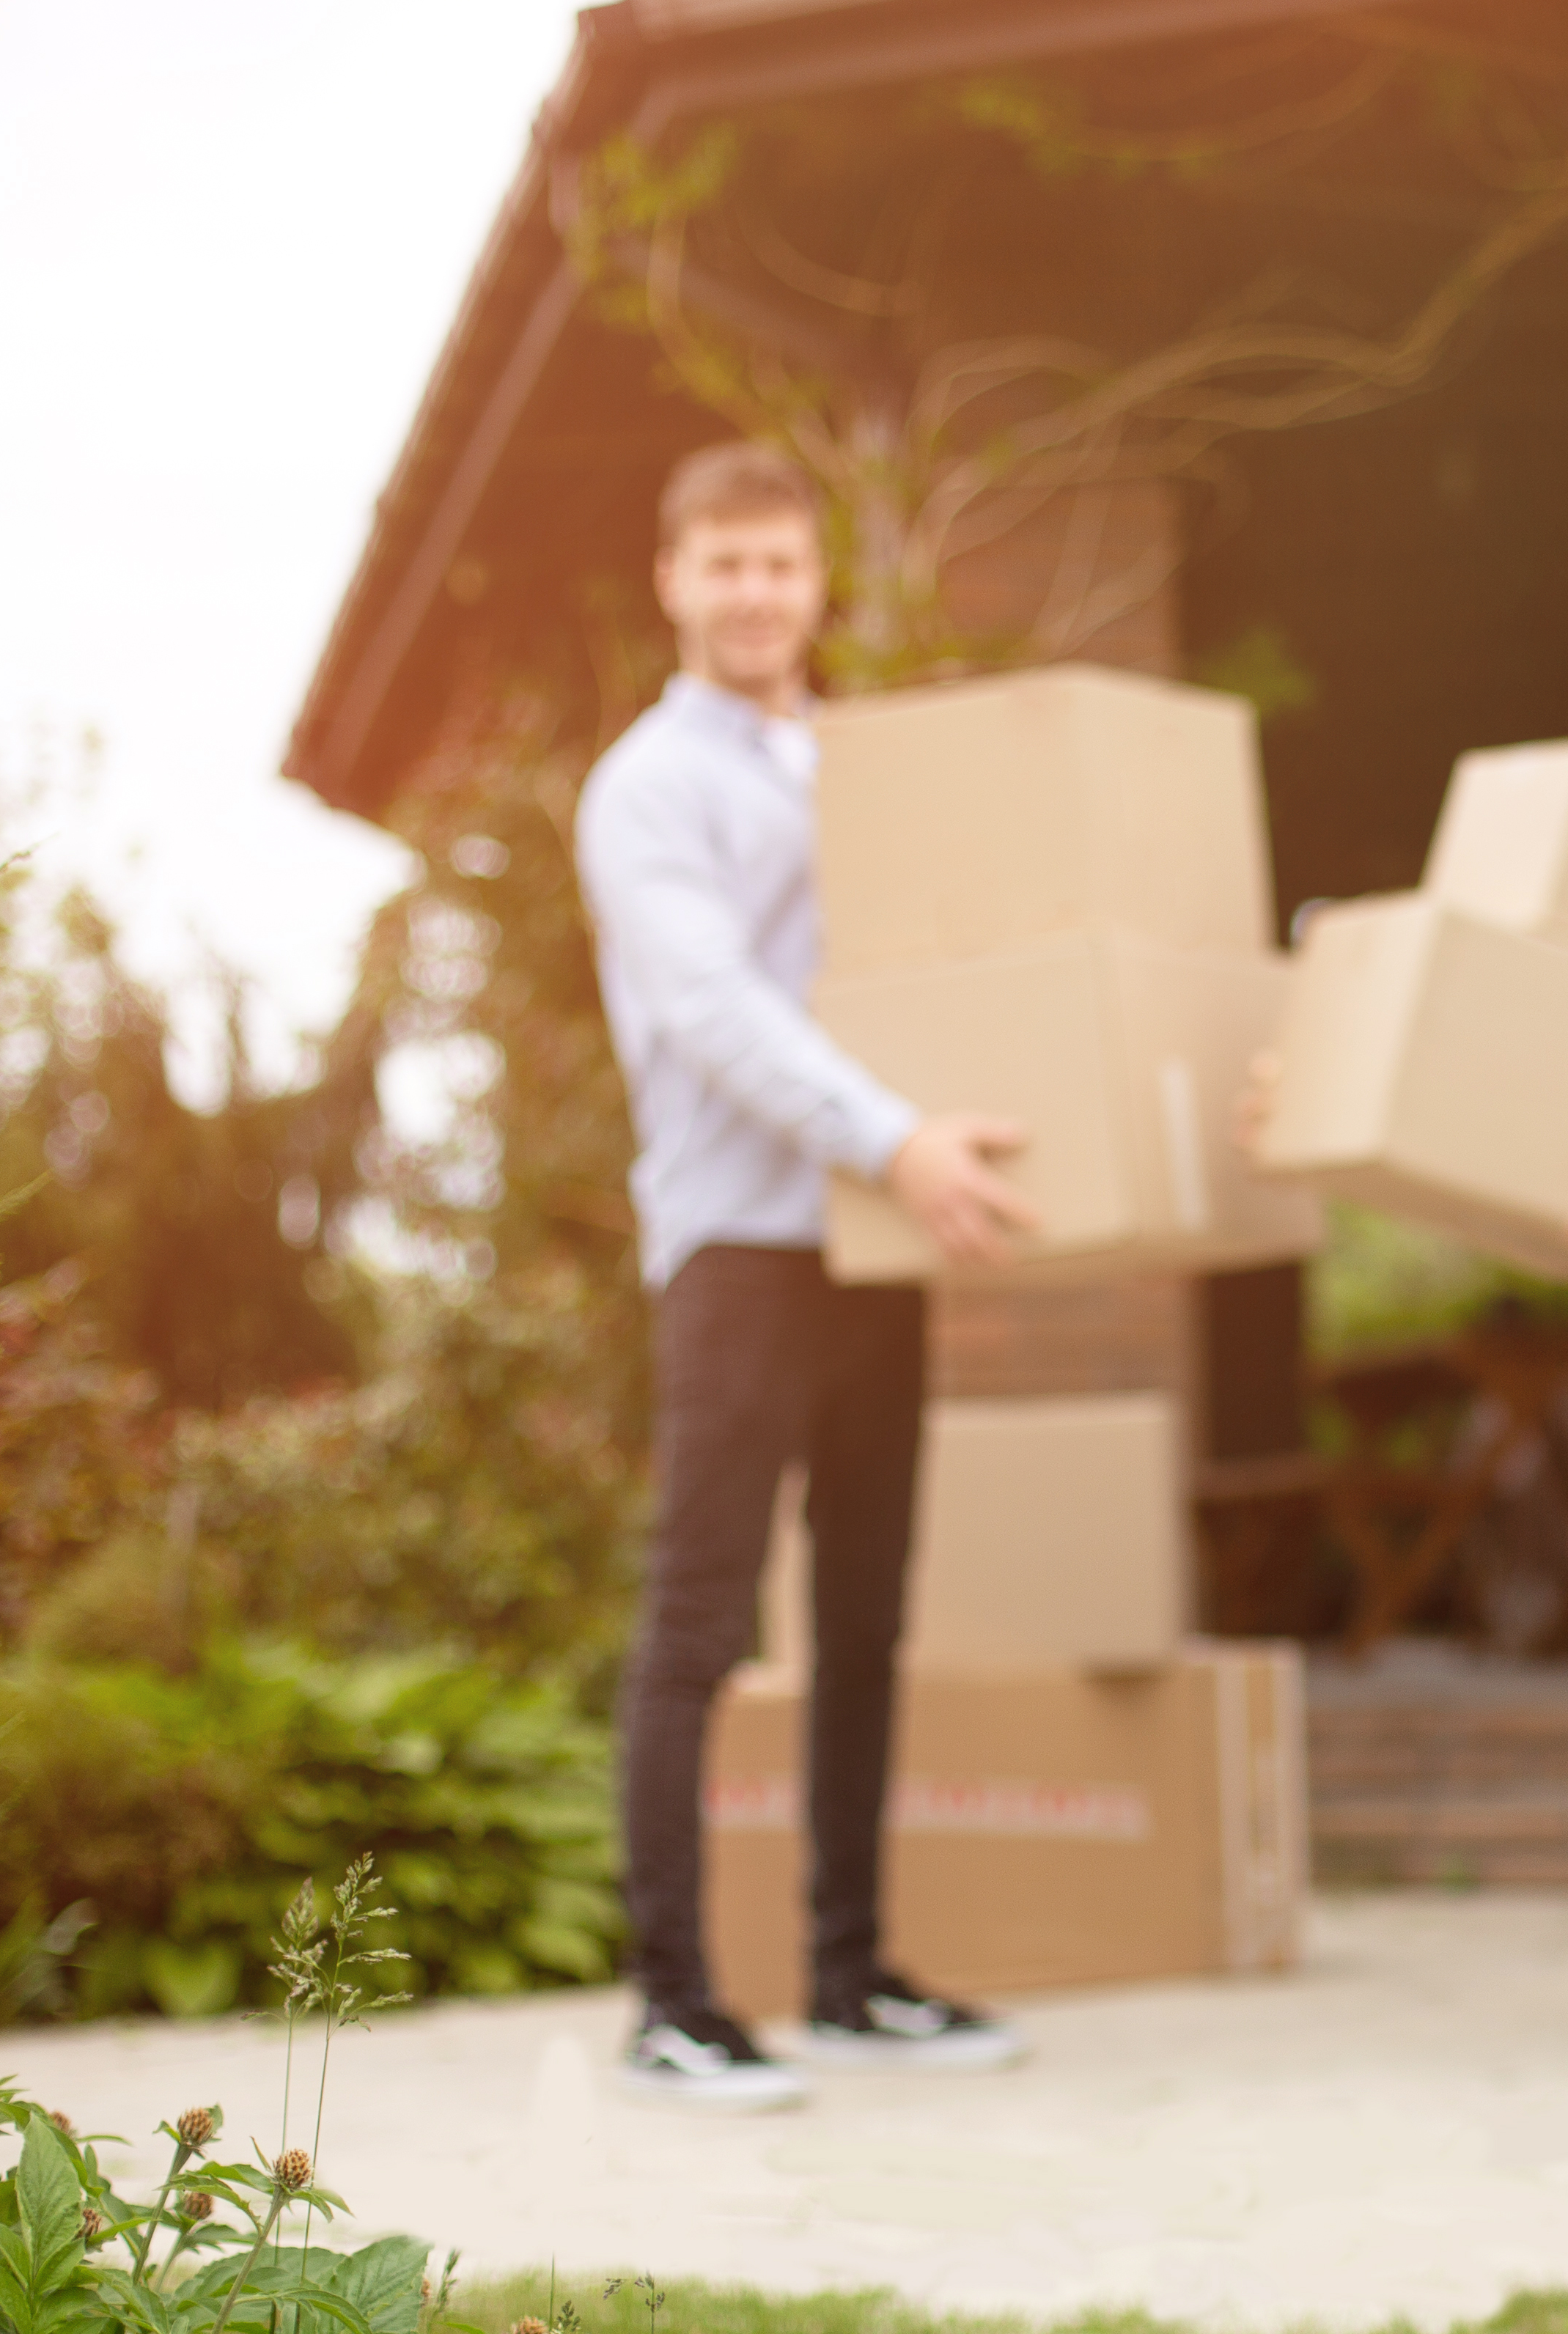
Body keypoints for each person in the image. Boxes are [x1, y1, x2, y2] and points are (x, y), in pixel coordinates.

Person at [576, 438, 1044, 2110]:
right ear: (675, 581)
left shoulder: (847, 768)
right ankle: (673, 2006)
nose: (757, 593)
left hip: (873, 1238)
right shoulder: (649, 788)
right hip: (741, 1244)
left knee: (865, 1617)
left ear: (815, 583)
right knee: (699, 1618)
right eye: (727, 565)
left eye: (782, 565)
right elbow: (712, 1011)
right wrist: (896, 1134)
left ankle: (849, 1977)